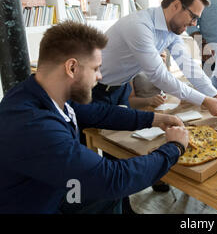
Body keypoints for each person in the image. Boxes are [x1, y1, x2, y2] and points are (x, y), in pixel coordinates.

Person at [0, 22, 188, 214]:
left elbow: (101, 113)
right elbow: (111, 179)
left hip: (51, 190)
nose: (100, 76)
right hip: (43, 205)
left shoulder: (41, 92)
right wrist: (174, 148)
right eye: (96, 68)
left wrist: (154, 119)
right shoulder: (33, 125)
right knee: (111, 186)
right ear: (72, 67)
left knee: (114, 195)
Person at [92, 0, 217, 116]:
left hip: (121, 89)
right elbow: (159, 76)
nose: (194, 23)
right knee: (88, 135)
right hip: (95, 89)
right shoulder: (139, 26)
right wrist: (205, 100)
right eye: (193, 16)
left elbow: (189, 67)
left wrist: (215, 95)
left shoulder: (172, 31)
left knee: (117, 136)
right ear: (176, 5)